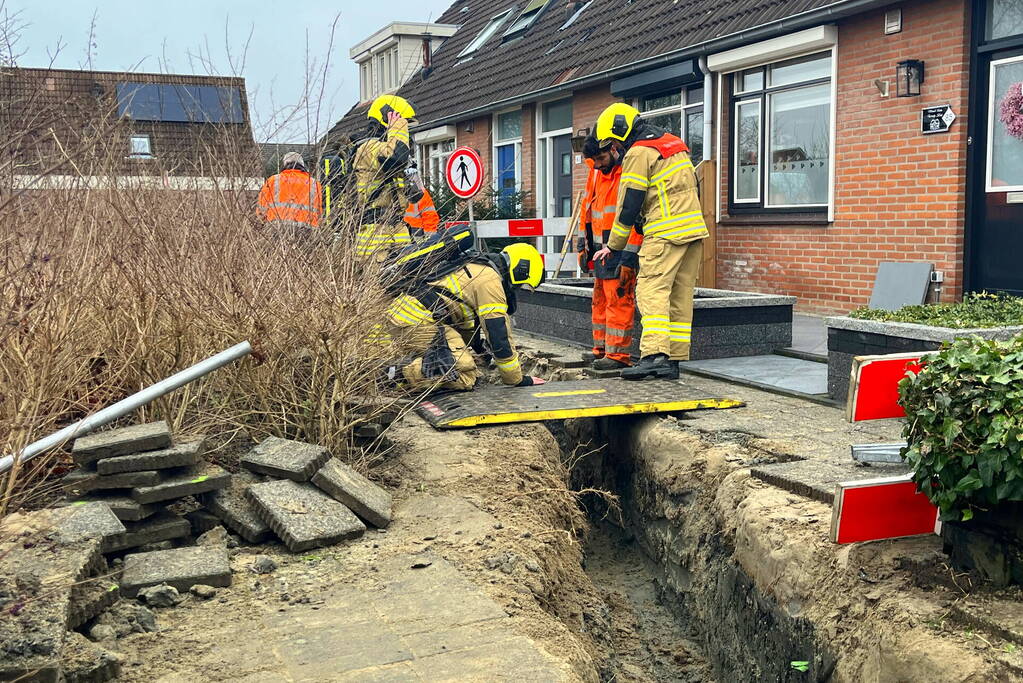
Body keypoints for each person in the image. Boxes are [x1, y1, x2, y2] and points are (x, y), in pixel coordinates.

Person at [592, 103, 708, 380]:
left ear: (620, 132)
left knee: (651, 292)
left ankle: (654, 356)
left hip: (665, 233)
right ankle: (673, 361)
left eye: (614, 142)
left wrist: (614, 244)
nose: (615, 147)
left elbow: (630, 201)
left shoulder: (638, 153)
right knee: (680, 297)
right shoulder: (675, 145)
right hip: (693, 231)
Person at [382, 241, 547, 392]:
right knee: (464, 372)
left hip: (408, 318)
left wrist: (479, 350)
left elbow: (464, 323)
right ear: (521, 270)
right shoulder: (490, 280)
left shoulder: (477, 267)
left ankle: (401, 373)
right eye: (522, 284)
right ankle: (395, 376)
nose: (516, 290)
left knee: (461, 365)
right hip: (418, 321)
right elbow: (498, 331)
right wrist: (515, 379)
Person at [578, 135, 642, 371]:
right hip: (599, 251)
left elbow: (633, 218)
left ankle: (617, 356)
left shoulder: (628, 173)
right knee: (600, 301)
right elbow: (586, 209)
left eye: (601, 158)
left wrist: (629, 257)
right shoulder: (596, 172)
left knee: (618, 301)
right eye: (594, 159)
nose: (597, 164)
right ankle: (602, 349)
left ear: (614, 149)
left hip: (620, 249)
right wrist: (582, 246)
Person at [352, 95, 421, 260]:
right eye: (402, 122)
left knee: (403, 284)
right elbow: (394, 157)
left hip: (398, 228)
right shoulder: (367, 148)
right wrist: (397, 130)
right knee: (376, 285)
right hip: (375, 234)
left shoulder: (397, 153)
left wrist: (410, 173)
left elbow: (416, 195)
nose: (406, 130)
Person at [257, 151, 323, 233]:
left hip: (276, 228)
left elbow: (261, 210)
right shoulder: (314, 184)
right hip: (306, 230)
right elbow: (319, 212)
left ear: (285, 164)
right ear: (302, 165)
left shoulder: (273, 180)